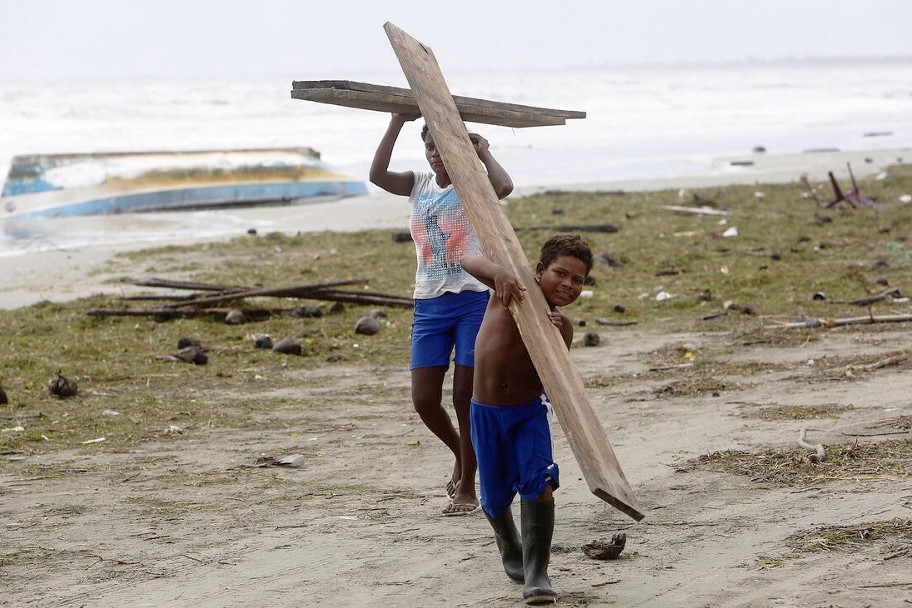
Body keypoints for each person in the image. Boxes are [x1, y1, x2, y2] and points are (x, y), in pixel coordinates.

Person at [369, 113, 514, 515]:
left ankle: (468, 485)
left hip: (471, 299)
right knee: (424, 400)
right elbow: (377, 174)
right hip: (429, 302)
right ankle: (463, 455)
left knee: (465, 397)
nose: (435, 154)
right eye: (429, 146)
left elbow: (503, 186)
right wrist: (396, 121)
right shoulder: (418, 184)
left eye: (442, 146)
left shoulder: (471, 185)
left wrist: (482, 152)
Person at [460, 234, 593, 605]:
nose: (567, 284)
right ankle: (508, 540)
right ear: (540, 271)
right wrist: (499, 274)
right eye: (560, 273)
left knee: (539, 482)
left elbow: (554, 378)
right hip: (485, 412)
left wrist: (554, 335)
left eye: (577, 280)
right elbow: (468, 259)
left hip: (527, 414)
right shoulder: (508, 292)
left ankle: (537, 572)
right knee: (495, 493)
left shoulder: (562, 326)